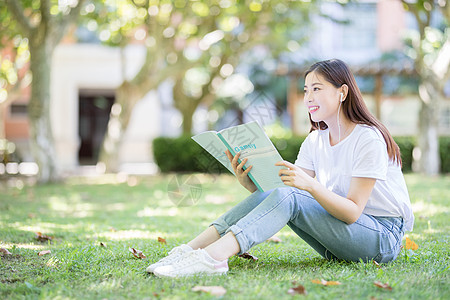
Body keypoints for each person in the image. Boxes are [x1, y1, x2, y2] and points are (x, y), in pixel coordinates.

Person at [147, 59, 414, 278]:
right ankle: (189, 251)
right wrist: (250, 183)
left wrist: (309, 185)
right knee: (280, 191)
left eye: (317, 89)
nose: (308, 97)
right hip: (342, 240)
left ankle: (213, 258)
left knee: (293, 193)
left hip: (381, 238)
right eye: (306, 89)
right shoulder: (315, 140)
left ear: (342, 92)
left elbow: (353, 212)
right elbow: (282, 194)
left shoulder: (367, 138)